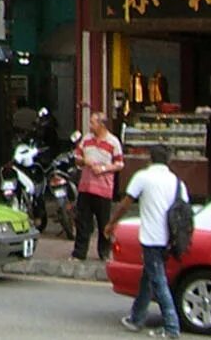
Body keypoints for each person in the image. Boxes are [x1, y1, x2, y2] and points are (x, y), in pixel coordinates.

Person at [107, 146, 184, 339]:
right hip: (169, 238)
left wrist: (111, 223)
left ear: (150, 159)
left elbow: (126, 203)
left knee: (158, 281)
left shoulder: (143, 177)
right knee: (148, 278)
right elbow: (184, 207)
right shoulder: (176, 181)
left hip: (151, 237)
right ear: (169, 160)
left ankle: (171, 326)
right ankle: (137, 318)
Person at [72, 111, 125, 260]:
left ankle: (104, 253)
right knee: (82, 222)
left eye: (93, 123)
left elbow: (119, 164)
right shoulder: (86, 139)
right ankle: (79, 253)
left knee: (104, 223)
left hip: (103, 189)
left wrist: (103, 169)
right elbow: (77, 156)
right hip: (85, 186)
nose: (90, 125)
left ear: (101, 124)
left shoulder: (113, 142)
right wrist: (84, 162)